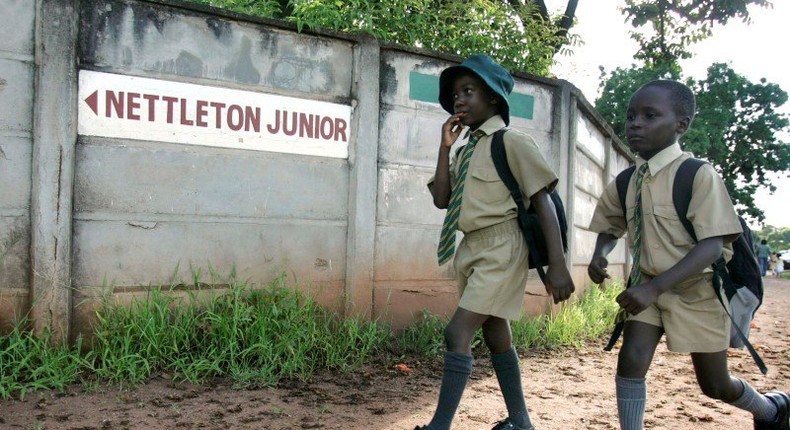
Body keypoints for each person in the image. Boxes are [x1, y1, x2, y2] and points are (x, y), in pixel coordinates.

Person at [586, 80, 789, 430]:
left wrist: (654, 288)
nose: (635, 123)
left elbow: (711, 247)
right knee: (630, 360)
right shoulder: (626, 181)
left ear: (681, 125)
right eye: (632, 115)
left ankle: (772, 410)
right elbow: (610, 225)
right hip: (649, 288)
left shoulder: (698, 175)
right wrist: (599, 254)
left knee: (715, 385)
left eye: (650, 115)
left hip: (699, 292)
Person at [419, 54, 575, 430]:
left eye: (468, 91)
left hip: (503, 246)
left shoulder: (513, 142)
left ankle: (440, 425)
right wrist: (444, 148)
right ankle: (521, 422)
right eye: (456, 94)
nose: (458, 100)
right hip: (471, 247)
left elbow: (543, 202)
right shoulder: (465, 149)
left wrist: (558, 265)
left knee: (457, 332)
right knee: (495, 331)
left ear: (492, 98)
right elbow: (442, 199)